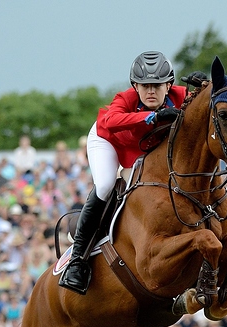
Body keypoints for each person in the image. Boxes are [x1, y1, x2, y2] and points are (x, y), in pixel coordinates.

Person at [59, 51, 193, 294]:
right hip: (107, 141)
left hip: (143, 151)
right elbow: (110, 122)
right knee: (106, 185)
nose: (150, 91)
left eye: (156, 85)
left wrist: (207, 86)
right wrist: (152, 116)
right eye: (144, 86)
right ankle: (78, 260)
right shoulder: (125, 98)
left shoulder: (182, 96)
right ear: (135, 86)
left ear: (169, 85)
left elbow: (212, 102)